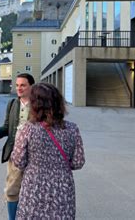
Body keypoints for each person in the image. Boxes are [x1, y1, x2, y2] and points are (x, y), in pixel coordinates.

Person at [11, 83, 85, 219]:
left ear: (35, 105)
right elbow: (78, 162)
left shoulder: (28, 129)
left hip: (34, 188)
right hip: (62, 188)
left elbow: (18, 161)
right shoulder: (72, 129)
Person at [0, 73, 35, 220]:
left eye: (23, 85)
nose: (19, 88)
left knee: (34, 191)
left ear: (31, 86)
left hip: (35, 155)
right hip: (15, 153)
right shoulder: (12, 104)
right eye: (17, 85)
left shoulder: (40, 105)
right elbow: (7, 127)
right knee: (12, 190)